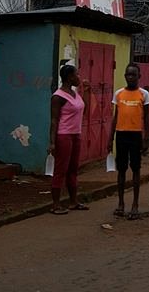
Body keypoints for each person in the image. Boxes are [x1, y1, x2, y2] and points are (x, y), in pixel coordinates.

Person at [107, 63, 149, 220]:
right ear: (125, 76)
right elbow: (115, 117)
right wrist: (110, 137)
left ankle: (135, 205)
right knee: (121, 170)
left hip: (136, 136)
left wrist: (146, 139)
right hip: (121, 135)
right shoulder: (118, 94)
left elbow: (146, 118)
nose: (130, 77)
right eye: (128, 74)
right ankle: (120, 204)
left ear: (139, 76)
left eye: (134, 75)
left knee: (136, 170)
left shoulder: (144, 94)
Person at [47, 64, 88, 214]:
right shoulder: (58, 97)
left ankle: (73, 201)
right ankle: (55, 204)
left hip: (76, 134)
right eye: (76, 74)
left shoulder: (75, 93)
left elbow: (84, 111)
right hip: (64, 135)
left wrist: (87, 92)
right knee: (61, 170)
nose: (79, 77)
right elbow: (54, 120)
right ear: (70, 77)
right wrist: (52, 142)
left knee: (73, 169)